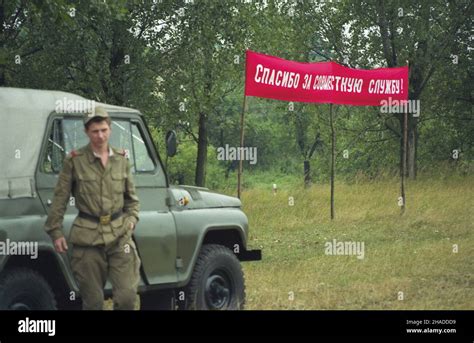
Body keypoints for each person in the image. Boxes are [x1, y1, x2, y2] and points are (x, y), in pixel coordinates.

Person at [44, 106, 140, 310]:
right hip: (88, 238)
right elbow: (60, 197)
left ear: (110, 130)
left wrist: (131, 221)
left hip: (120, 235)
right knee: (93, 303)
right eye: (95, 131)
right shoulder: (75, 161)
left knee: (127, 298)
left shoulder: (122, 160)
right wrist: (55, 231)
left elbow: (132, 200)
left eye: (104, 130)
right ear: (87, 132)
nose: (100, 135)